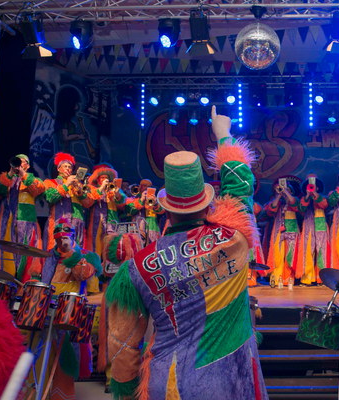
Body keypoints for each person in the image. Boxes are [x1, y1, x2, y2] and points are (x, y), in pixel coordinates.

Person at [105, 106, 268, 400]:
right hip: (230, 382)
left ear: (166, 209)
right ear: (206, 204)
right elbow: (241, 185)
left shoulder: (137, 268)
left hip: (170, 384)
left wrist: (126, 391)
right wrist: (223, 134)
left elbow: (122, 343)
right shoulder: (235, 236)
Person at [38, 218, 102, 400]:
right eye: (58, 240)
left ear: (73, 237)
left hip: (69, 311)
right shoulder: (50, 257)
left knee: (64, 356)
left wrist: (71, 254)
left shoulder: (87, 256)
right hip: (47, 309)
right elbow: (44, 281)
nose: (61, 243)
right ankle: (41, 391)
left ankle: (62, 395)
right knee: (43, 351)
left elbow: (83, 274)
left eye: (64, 238)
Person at [0, 154, 45, 281]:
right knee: (6, 259)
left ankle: (23, 287)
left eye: (23, 161)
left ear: (28, 166)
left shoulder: (34, 179)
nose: (20, 163)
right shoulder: (7, 178)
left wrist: (23, 174)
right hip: (7, 224)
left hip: (28, 224)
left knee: (26, 260)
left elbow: (38, 189)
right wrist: (10, 174)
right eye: (17, 161)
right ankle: (4, 285)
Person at [43, 152, 94, 250]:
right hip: (59, 222)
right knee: (57, 250)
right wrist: (67, 184)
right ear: (58, 169)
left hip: (77, 224)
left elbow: (88, 203)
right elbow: (50, 198)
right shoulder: (51, 182)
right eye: (65, 166)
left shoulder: (77, 185)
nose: (68, 169)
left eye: (70, 167)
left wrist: (80, 191)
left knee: (77, 252)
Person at [264, 176, 301, 289]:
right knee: (277, 255)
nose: (285, 192)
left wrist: (286, 192)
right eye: (283, 190)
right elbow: (271, 209)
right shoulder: (277, 202)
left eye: (288, 190)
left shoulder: (294, 200)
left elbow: (295, 204)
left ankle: (289, 278)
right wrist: (279, 195)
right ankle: (277, 277)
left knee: (291, 255)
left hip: (292, 230)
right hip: (279, 231)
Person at [296, 173, 330, 285]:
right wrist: (307, 196)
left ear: (318, 188)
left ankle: (322, 278)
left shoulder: (322, 197)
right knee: (307, 251)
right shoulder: (304, 199)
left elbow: (324, 205)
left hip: (321, 226)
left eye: (314, 186)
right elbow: (301, 209)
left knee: (322, 251)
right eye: (310, 186)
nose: (311, 187)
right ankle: (307, 278)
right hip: (308, 226)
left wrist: (314, 194)